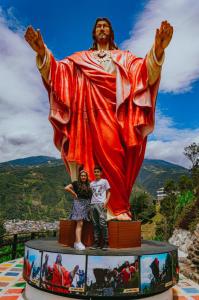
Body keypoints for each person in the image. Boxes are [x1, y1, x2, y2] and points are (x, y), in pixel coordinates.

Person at [24, 18, 173, 221]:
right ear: (94, 33)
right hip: (85, 120)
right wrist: (42, 52)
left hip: (115, 117)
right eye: (98, 27)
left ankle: (117, 209)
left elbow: (144, 73)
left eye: (106, 26)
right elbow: (59, 74)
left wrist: (157, 49)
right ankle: (90, 212)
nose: (102, 29)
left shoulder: (124, 57)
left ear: (111, 32)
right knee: (87, 163)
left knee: (115, 156)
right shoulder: (80, 58)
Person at [65, 170, 92, 250]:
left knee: (81, 223)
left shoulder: (88, 184)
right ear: (79, 176)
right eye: (82, 176)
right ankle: (78, 242)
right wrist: (74, 193)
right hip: (78, 203)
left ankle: (77, 242)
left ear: (86, 177)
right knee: (80, 223)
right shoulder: (76, 183)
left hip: (86, 205)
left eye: (85, 176)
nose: (83, 177)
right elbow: (66, 188)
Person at [90, 166, 111, 250]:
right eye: (95, 172)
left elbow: (109, 192)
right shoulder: (91, 183)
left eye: (98, 171)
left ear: (101, 173)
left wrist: (106, 202)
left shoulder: (104, 181)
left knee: (102, 223)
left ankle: (106, 242)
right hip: (93, 204)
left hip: (101, 204)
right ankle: (96, 242)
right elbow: (91, 194)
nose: (96, 173)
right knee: (95, 224)